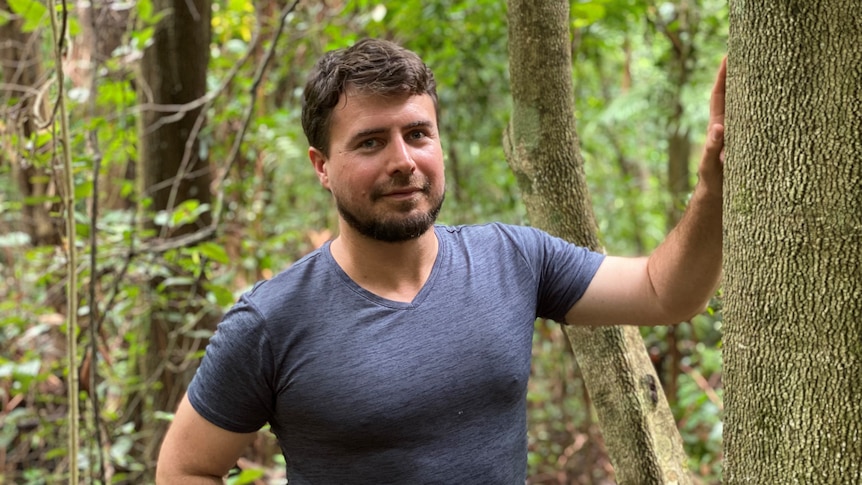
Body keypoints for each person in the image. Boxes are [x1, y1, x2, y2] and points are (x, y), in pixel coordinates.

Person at [156, 38, 726, 484]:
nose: (404, 161)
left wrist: (712, 189)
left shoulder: (513, 258)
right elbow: (185, 468)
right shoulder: (271, 321)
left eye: (418, 133)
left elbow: (665, 292)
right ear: (321, 165)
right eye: (370, 142)